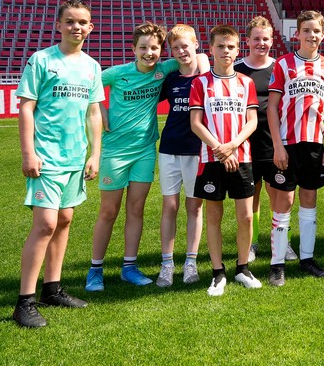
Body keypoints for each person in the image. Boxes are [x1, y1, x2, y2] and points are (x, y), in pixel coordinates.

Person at [87, 22, 207, 291]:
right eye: (143, 47)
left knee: (136, 209)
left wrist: (204, 67)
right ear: (133, 49)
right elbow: (88, 84)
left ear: (161, 51)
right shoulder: (118, 73)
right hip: (115, 152)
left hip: (145, 151)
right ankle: (95, 270)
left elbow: (197, 55)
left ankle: (129, 267)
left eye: (154, 48)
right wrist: (100, 109)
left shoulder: (163, 70)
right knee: (108, 211)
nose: (149, 53)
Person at [13, 0, 104, 328]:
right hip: (46, 157)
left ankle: (52, 289)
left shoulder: (92, 66)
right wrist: (28, 153)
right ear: (59, 25)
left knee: (64, 220)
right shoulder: (41, 60)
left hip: (75, 157)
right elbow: (26, 107)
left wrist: (94, 154)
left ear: (90, 27)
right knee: (46, 225)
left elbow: (94, 113)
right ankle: (24, 302)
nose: (76, 27)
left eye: (82, 22)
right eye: (70, 21)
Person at [266, 10, 324, 284]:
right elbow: (272, 107)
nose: (311, 35)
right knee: (284, 202)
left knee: (309, 200)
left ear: (323, 34)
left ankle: (307, 259)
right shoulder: (283, 64)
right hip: (288, 144)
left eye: (316, 30)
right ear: (297, 33)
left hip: (315, 144)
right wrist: (277, 145)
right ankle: (277, 264)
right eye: (306, 30)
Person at [189, 24, 261, 295]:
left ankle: (242, 268)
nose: (225, 51)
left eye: (230, 47)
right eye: (220, 46)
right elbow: (196, 123)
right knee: (214, 216)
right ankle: (218, 272)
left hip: (241, 157)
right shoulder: (200, 83)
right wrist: (220, 148)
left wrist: (232, 146)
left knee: (246, 216)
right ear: (211, 49)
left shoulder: (246, 82)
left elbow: (252, 121)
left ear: (238, 50)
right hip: (211, 158)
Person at [155, 24, 209, 287]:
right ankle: (167, 264)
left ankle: (190, 261)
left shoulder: (206, 77)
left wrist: (203, 62)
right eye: (175, 47)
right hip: (169, 149)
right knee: (170, 206)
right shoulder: (170, 79)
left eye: (185, 45)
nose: (181, 51)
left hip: (196, 151)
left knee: (194, 206)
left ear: (196, 44)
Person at [234, 16, 281, 264]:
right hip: (245, 143)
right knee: (251, 197)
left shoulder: (280, 67)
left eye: (265, 39)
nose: (261, 43)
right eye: (256, 39)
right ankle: (251, 243)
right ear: (247, 41)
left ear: (272, 41)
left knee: (278, 196)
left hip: (273, 142)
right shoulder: (237, 69)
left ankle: (280, 242)